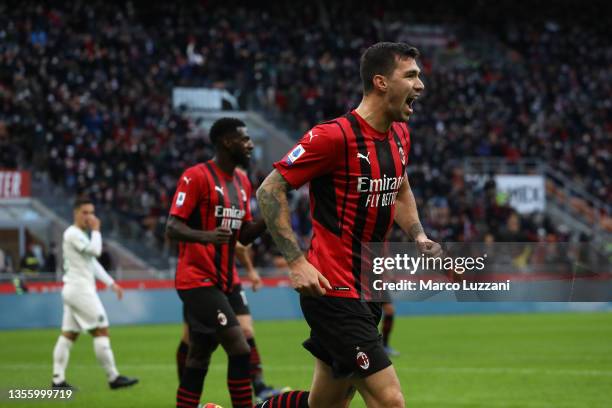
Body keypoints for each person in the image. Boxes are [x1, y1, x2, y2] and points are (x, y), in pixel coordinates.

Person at [255, 42, 443, 407]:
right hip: (333, 291)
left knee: (325, 404)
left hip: (368, 289)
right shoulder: (332, 136)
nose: (420, 85)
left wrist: (418, 233)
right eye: (411, 75)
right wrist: (296, 262)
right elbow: (269, 190)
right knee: (390, 401)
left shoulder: (400, 135)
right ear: (381, 82)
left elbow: (400, 186)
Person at [166, 118, 267, 408]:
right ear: (226, 141)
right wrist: (207, 236)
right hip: (197, 279)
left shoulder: (243, 181)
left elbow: (244, 234)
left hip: (227, 281)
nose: (249, 144)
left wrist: (270, 218)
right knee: (239, 347)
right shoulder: (196, 176)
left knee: (199, 353)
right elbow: (172, 226)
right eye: (244, 139)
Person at [175, 242, 288, 403]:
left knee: (246, 331)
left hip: (229, 279)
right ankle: (188, 397)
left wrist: (250, 269)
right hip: (199, 280)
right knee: (190, 339)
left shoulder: (237, 217)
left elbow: (239, 242)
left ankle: (260, 387)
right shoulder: (196, 221)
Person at [51, 198, 138, 390]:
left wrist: (111, 283)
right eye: (85, 212)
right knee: (101, 329)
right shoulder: (73, 233)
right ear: (76, 213)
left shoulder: (79, 235)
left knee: (68, 335)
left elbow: (92, 263)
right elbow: (96, 251)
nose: (89, 217)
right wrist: (97, 229)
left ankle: (57, 380)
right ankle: (113, 377)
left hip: (73, 290)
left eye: (92, 212)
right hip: (79, 290)